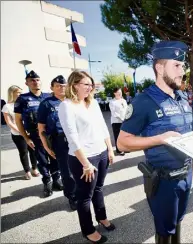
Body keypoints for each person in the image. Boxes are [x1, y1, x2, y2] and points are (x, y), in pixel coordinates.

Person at [117, 40, 193, 244]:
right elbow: (122, 143)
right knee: (165, 228)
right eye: (177, 66)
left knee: (178, 221)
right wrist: (160, 139)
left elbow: (189, 132)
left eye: (183, 66)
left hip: (186, 173)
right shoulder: (144, 101)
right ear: (160, 67)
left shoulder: (181, 97)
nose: (183, 71)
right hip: (164, 181)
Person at [58, 70, 115, 243]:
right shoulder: (66, 106)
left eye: (91, 85)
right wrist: (85, 164)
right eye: (86, 84)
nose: (90, 88)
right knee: (85, 196)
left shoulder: (93, 103)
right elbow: (72, 137)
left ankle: (101, 217)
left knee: (98, 188)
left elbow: (103, 127)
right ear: (74, 85)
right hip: (84, 159)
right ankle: (88, 230)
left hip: (101, 153)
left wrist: (110, 149)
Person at [14, 70, 62, 197]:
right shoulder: (22, 99)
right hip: (35, 135)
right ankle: (47, 182)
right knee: (42, 160)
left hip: (52, 135)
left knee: (55, 157)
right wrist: (25, 137)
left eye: (37, 80)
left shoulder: (49, 97)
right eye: (32, 80)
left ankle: (57, 179)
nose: (35, 82)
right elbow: (18, 120)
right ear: (27, 83)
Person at [37, 75, 77, 210]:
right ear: (52, 88)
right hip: (60, 141)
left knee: (80, 167)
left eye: (64, 85)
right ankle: (72, 196)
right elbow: (41, 128)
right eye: (58, 86)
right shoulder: (46, 103)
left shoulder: (73, 101)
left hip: (76, 138)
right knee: (67, 171)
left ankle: (81, 192)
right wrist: (46, 147)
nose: (62, 88)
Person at [2, 85, 39, 180]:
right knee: (23, 152)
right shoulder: (7, 106)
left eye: (21, 92)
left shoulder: (24, 103)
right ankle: (27, 171)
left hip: (30, 132)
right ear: (12, 93)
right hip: (18, 134)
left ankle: (34, 168)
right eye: (18, 92)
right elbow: (9, 123)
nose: (21, 94)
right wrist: (22, 131)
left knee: (33, 151)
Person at [109, 87, 128, 156]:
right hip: (116, 121)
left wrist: (127, 117)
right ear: (114, 93)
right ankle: (119, 150)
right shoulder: (112, 102)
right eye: (118, 92)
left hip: (124, 121)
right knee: (118, 136)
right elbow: (114, 113)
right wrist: (122, 118)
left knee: (124, 136)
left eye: (120, 92)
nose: (119, 93)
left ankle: (125, 148)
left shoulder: (124, 101)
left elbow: (127, 110)